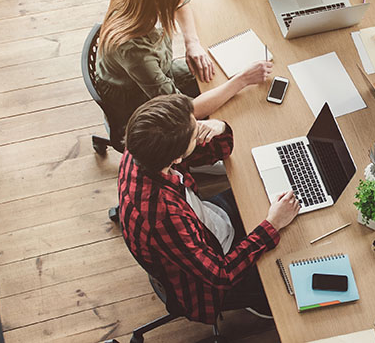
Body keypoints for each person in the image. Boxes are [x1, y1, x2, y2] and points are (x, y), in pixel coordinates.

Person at [117, 94, 301, 323]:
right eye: (195, 133)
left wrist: (218, 126)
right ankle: (257, 300)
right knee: (291, 266)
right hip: (211, 271)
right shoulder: (163, 216)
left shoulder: (142, 149)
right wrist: (272, 224)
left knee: (268, 195)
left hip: (206, 221)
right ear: (175, 158)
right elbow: (221, 275)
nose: (199, 126)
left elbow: (217, 150)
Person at [96, 0, 273, 143]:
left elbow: (181, 5)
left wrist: (192, 43)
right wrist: (244, 79)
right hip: (135, 98)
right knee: (231, 101)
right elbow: (185, 110)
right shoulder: (135, 52)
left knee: (215, 74)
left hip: (159, 71)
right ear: (160, 0)